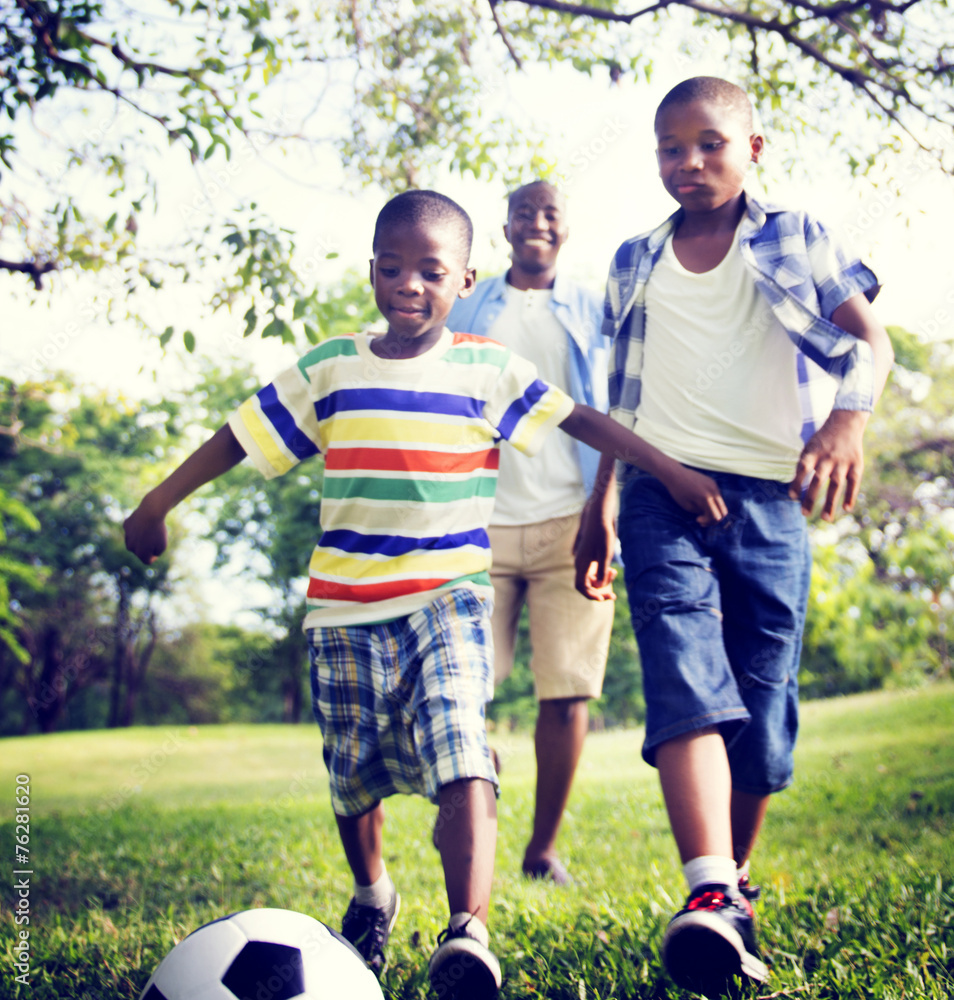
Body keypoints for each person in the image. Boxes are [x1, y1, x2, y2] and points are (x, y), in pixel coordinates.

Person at [123, 189, 729, 1000]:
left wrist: (673, 471)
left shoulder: (486, 368)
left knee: (461, 749)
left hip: (448, 601)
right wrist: (158, 501)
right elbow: (241, 434)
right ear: (371, 271)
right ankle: (373, 893)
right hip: (343, 611)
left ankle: (466, 931)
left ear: (464, 278)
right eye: (392, 268)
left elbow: (582, 420)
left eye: (430, 272)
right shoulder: (332, 365)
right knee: (352, 775)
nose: (409, 284)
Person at [575, 77, 894, 996]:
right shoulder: (635, 258)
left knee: (763, 708)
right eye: (671, 148)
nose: (689, 163)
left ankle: (735, 891)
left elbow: (870, 342)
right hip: (657, 498)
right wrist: (601, 503)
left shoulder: (794, 235)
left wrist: (847, 424)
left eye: (709, 144)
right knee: (684, 677)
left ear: (752, 149)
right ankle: (707, 889)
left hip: (767, 501)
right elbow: (618, 397)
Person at [445, 180, 614, 885]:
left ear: (566, 228)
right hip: (477, 523)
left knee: (568, 690)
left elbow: (614, 410)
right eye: (524, 213)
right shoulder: (469, 302)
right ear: (506, 227)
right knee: (462, 686)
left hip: (572, 522)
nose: (537, 223)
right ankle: (474, 798)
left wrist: (603, 513)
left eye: (551, 213)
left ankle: (542, 849)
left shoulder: (595, 309)